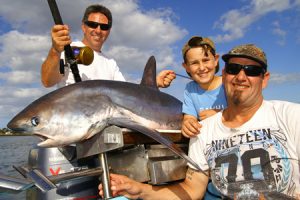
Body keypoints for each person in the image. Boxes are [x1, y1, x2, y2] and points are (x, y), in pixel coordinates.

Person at [98, 44, 300, 199]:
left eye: (252, 70)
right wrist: (138, 189)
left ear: (265, 79)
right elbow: (191, 190)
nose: (241, 76)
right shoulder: (203, 131)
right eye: (233, 69)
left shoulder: (291, 116)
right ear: (225, 75)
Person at [41, 4, 175, 88]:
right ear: (83, 26)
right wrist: (55, 51)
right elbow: (48, 81)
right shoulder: (68, 51)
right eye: (93, 24)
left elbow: (125, 93)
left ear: (109, 31)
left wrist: (153, 84)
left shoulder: (110, 64)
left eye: (104, 27)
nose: (98, 30)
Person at [180, 36, 227, 139]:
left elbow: (243, 110)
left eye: (206, 60)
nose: (201, 68)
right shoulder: (190, 89)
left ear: (216, 60)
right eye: (194, 63)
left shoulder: (228, 83)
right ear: (186, 67)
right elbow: (189, 116)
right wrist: (188, 123)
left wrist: (219, 115)